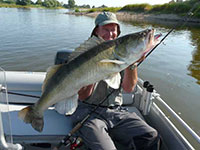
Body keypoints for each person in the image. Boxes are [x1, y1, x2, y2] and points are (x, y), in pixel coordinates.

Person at [71, 12, 160, 150]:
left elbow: (129, 88)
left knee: (150, 135)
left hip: (116, 112)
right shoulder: (86, 55)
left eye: (114, 30)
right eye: (106, 29)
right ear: (96, 31)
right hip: (88, 113)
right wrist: (93, 72)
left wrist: (132, 64)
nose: (111, 33)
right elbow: (82, 96)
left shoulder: (122, 53)